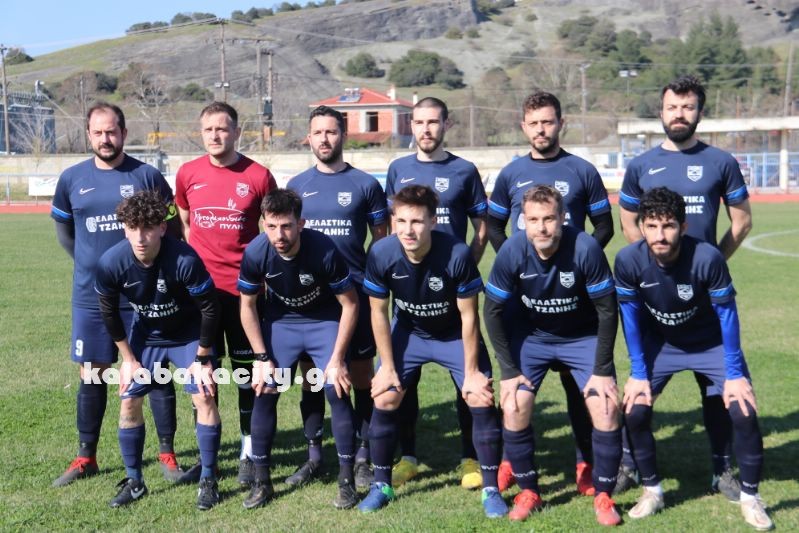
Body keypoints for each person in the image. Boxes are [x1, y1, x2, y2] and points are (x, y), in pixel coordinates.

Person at [617, 75, 752, 499]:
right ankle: (629, 463)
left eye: (688, 107)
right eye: (672, 107)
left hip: (705, 304)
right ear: (661, 111)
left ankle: (722, 469)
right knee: (640, 388)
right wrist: (655, 269)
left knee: (717, 392)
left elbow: (742, 221)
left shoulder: (721, 162)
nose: (679, 114)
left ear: (699, 112)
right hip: (657, 304)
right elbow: (628, 223)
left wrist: (708, 267)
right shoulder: (640, 165)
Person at [614, 187, 771, 530]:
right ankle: (652, 490)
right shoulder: (627, 261)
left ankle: (750, 497)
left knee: (743, 410)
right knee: (635, 410)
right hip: (662, 345)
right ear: (641, 227)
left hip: (709, 344)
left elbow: (728, 315)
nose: (660, 235)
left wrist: (734, 373)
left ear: (683, 227)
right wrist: (638, 372)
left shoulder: (707, 258)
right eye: (651, 226)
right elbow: (630, 318)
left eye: (668, 226)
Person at [486, 91, 614, 495]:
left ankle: (584, 461)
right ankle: (511, 460)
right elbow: (493, 226)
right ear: (523, 127)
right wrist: (521, 265)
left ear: (561, 123)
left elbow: (605, 225)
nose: (541, 129)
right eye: (534, 123)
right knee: (515, 388)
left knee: (580, 391)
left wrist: (574, 264)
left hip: (575, 303)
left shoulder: (582, 170)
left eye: (548, 121)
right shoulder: (510, 173)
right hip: (526, 305)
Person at [51, 102, 184, 487]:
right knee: (92, 372)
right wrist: (94, 266)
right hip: (90, 296)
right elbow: (66, 234)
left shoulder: (147, 176)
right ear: (88, 135)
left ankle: (167, 453)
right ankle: (85, 456)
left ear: (124, 133)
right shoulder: (72, 178)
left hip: (145, 297)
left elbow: (172, 229)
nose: (105, 139)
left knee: (155, 370)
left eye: (111, 131)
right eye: (98, 132)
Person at [358, 185, 506, 518]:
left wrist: (472, 372)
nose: (408, 230)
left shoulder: (456, 254)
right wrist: (387, 367)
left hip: (452, 334)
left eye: (417, 222)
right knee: (385, 395)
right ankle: (381, 485)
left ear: (433, 221)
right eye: (401, 221)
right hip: (409, 332)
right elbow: (378, 313)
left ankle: (491, 488)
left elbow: (469, 317)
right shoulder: (381, 253)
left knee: (479, 396)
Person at [483, 185, 622, 525]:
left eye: (548, 219)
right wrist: (509, 371)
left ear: (563, 218)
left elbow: (607, 310)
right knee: (514, 403)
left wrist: (602, 369)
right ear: (523, 221)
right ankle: (529, 491)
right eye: (533, 220)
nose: (541, 227)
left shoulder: (585, 248)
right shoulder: (512, 251)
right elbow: (492, 311)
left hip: (581, 336)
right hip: (533, 337)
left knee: (605, 406)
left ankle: (604, 495)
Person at [94, 190, 222, 510]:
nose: (140, 237)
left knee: (204, 395)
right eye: (133, 228)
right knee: (128, 399)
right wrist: (128, 359)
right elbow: (108, 312)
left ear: (163, 228)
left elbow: (210, 308)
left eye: (148, 228)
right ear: (124, 229)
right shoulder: (111, 263)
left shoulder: (185, 259)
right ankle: (135, 481)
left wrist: (202, 358)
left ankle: (208, 480)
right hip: (146, 336)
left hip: (188, 335)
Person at [384, 96, 488, 489]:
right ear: (411, 126)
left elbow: (481, 224)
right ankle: (408, 456)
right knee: (402, 381)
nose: (426, 129)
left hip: (452, 297)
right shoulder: (398, 168)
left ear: (446, 124)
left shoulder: (464, 170)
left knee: (468, 381)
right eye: (419, 122)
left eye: (433, 122)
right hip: (409, 296)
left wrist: (467, 264)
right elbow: (390, 227)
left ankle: (470, 457)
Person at [237, 189, 361, 510]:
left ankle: (347, 480)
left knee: (336, 388)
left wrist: (337, 359)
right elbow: (247, 306)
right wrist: (261, 357)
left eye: (287, 226)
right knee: (265, 388)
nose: (279, 235)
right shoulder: (256, 252)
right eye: (272, 226)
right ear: (263, 224)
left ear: (301, 223)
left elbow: (350, 304)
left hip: (323, 321)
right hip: (282, 324)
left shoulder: (324, 249)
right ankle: (263, 482)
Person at [174, 101, 277, 485]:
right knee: (205, 377)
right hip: (201, 297)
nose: (215, 136)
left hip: (245, 295)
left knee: (249, 376)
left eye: (222, 128)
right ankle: (210, 458)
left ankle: (250, 452)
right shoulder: (188, 173)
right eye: (208, 130)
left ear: (236, 132)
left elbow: (271, 230)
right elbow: (186, 223)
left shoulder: (258, 176)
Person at [286, 105, 387, 490]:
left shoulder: (365, 185)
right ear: (308, 137)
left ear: (342, 135)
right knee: (313, 378)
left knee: (360, 376)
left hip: (354, 296)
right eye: (318, 132)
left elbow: (381, 241)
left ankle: (362, 455)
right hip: (311, 299)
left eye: (331, 132)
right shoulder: (296, 185)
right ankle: (315, 456)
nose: (325, 139)